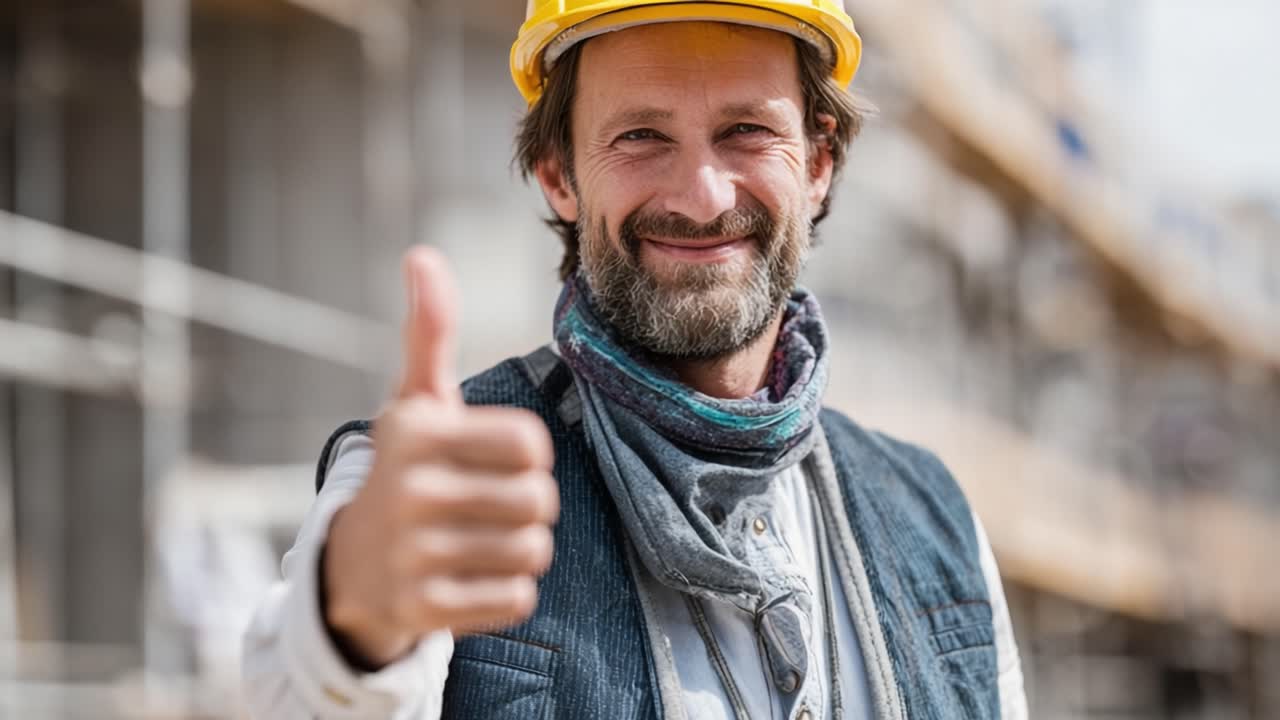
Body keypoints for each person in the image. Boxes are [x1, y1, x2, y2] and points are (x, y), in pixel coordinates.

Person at [242, 1, 1026, 717]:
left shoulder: (935, 515)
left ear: (817, 165)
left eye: (747, 130)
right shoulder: (433, 482)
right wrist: (357, 619)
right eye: (641, 136)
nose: (703, 196)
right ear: (559, 175)